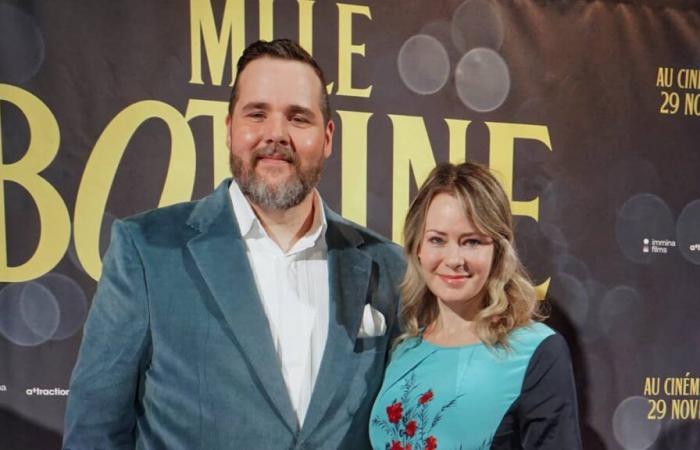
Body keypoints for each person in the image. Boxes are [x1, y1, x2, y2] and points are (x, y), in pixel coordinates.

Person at [63, 39, 405, 450]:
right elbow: (94, 433)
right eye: (257, 114)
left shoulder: (387, 265)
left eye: (299, 118)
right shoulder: (146, 251)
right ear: (229, 129)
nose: (276, 134)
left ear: (328, 137)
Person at [369, 162, 581, 450]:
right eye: (437, 240)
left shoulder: (534, 351)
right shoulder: (404, 351)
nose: (454, 258)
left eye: (471, 242)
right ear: (417, 247)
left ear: (498, 250)